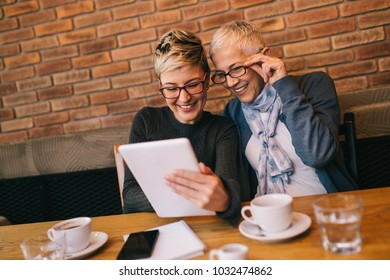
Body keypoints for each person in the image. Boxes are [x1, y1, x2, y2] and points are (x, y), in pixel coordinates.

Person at [209, 20, 358, 200]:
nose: (230, 83)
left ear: (264, 57)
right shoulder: (234, 111)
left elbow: (317, 155)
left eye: (237, 69)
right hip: (269, 216)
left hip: (326, 208)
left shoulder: (315, 85)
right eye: (222, 75)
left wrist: (284, 85)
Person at [122, 28, 247, 225]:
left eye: (192, 84)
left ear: (206, 79)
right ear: (160, 84)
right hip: (154, 227)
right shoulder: (146, 120)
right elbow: (130, 194)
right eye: (171, 88)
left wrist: (221, 197)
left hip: (206, 228)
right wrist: (190, 195)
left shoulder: (223, 129)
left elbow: (230, 192)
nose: (184, 98)